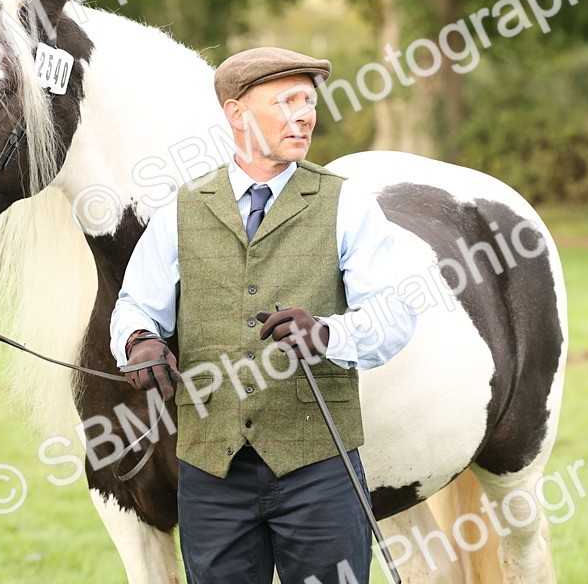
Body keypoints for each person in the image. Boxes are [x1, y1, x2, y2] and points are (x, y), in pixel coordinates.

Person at [109, 46, 419, 584]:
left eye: (309, 101)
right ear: (236, 114)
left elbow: (395, 318)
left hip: (320, 469)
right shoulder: (182, 209)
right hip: (211, 472)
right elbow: (136, 304)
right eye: (286, 101)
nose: (305, 115)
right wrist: (140, 341)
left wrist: (326, 332)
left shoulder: (346, 205)